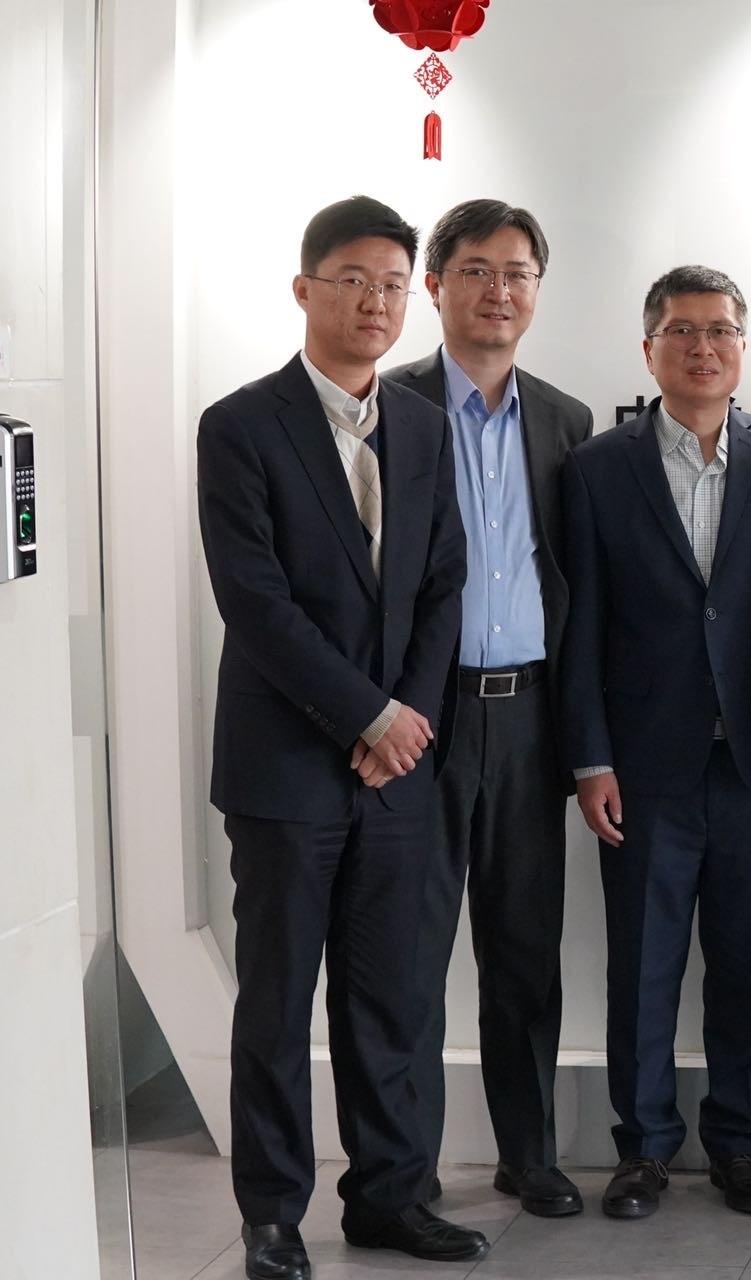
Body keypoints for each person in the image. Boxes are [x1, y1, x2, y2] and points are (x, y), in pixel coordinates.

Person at [197, 195, 485, 1277]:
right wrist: (367, 714)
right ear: (305, 287)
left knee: (393, 995)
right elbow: (256, 600)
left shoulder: (423, 423)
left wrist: (402, 721)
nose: (376, 301)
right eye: (355, 278)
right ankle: (273, 1213)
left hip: (398, 770)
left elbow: (442, 580)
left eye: (394, 284)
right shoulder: (239, 424)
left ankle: (390, 1196)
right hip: (286, 769)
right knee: (276, 999)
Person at [556, 266, 751, 1221]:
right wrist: (589, 757)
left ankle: (738, 1145)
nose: (703, 348)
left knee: (749, 964)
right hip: (644, 767)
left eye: (721, 331)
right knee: (644, 966)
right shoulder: (597, 467)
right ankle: (644, 1148)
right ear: (648, 347)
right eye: (681, 331)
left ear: (744, 347)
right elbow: (581, 625)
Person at [383, 198, 593, 1218]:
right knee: (410, 960)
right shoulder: (390, 407)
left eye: (517, 271)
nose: (497, 289)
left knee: (523, 952)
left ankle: (530, 1152)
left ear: (536, 292)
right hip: (420, 723)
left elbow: (580, 591)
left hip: (531, 715)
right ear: (436, 285)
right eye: (474, 269)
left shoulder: (566, 420)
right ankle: (407, 1174)